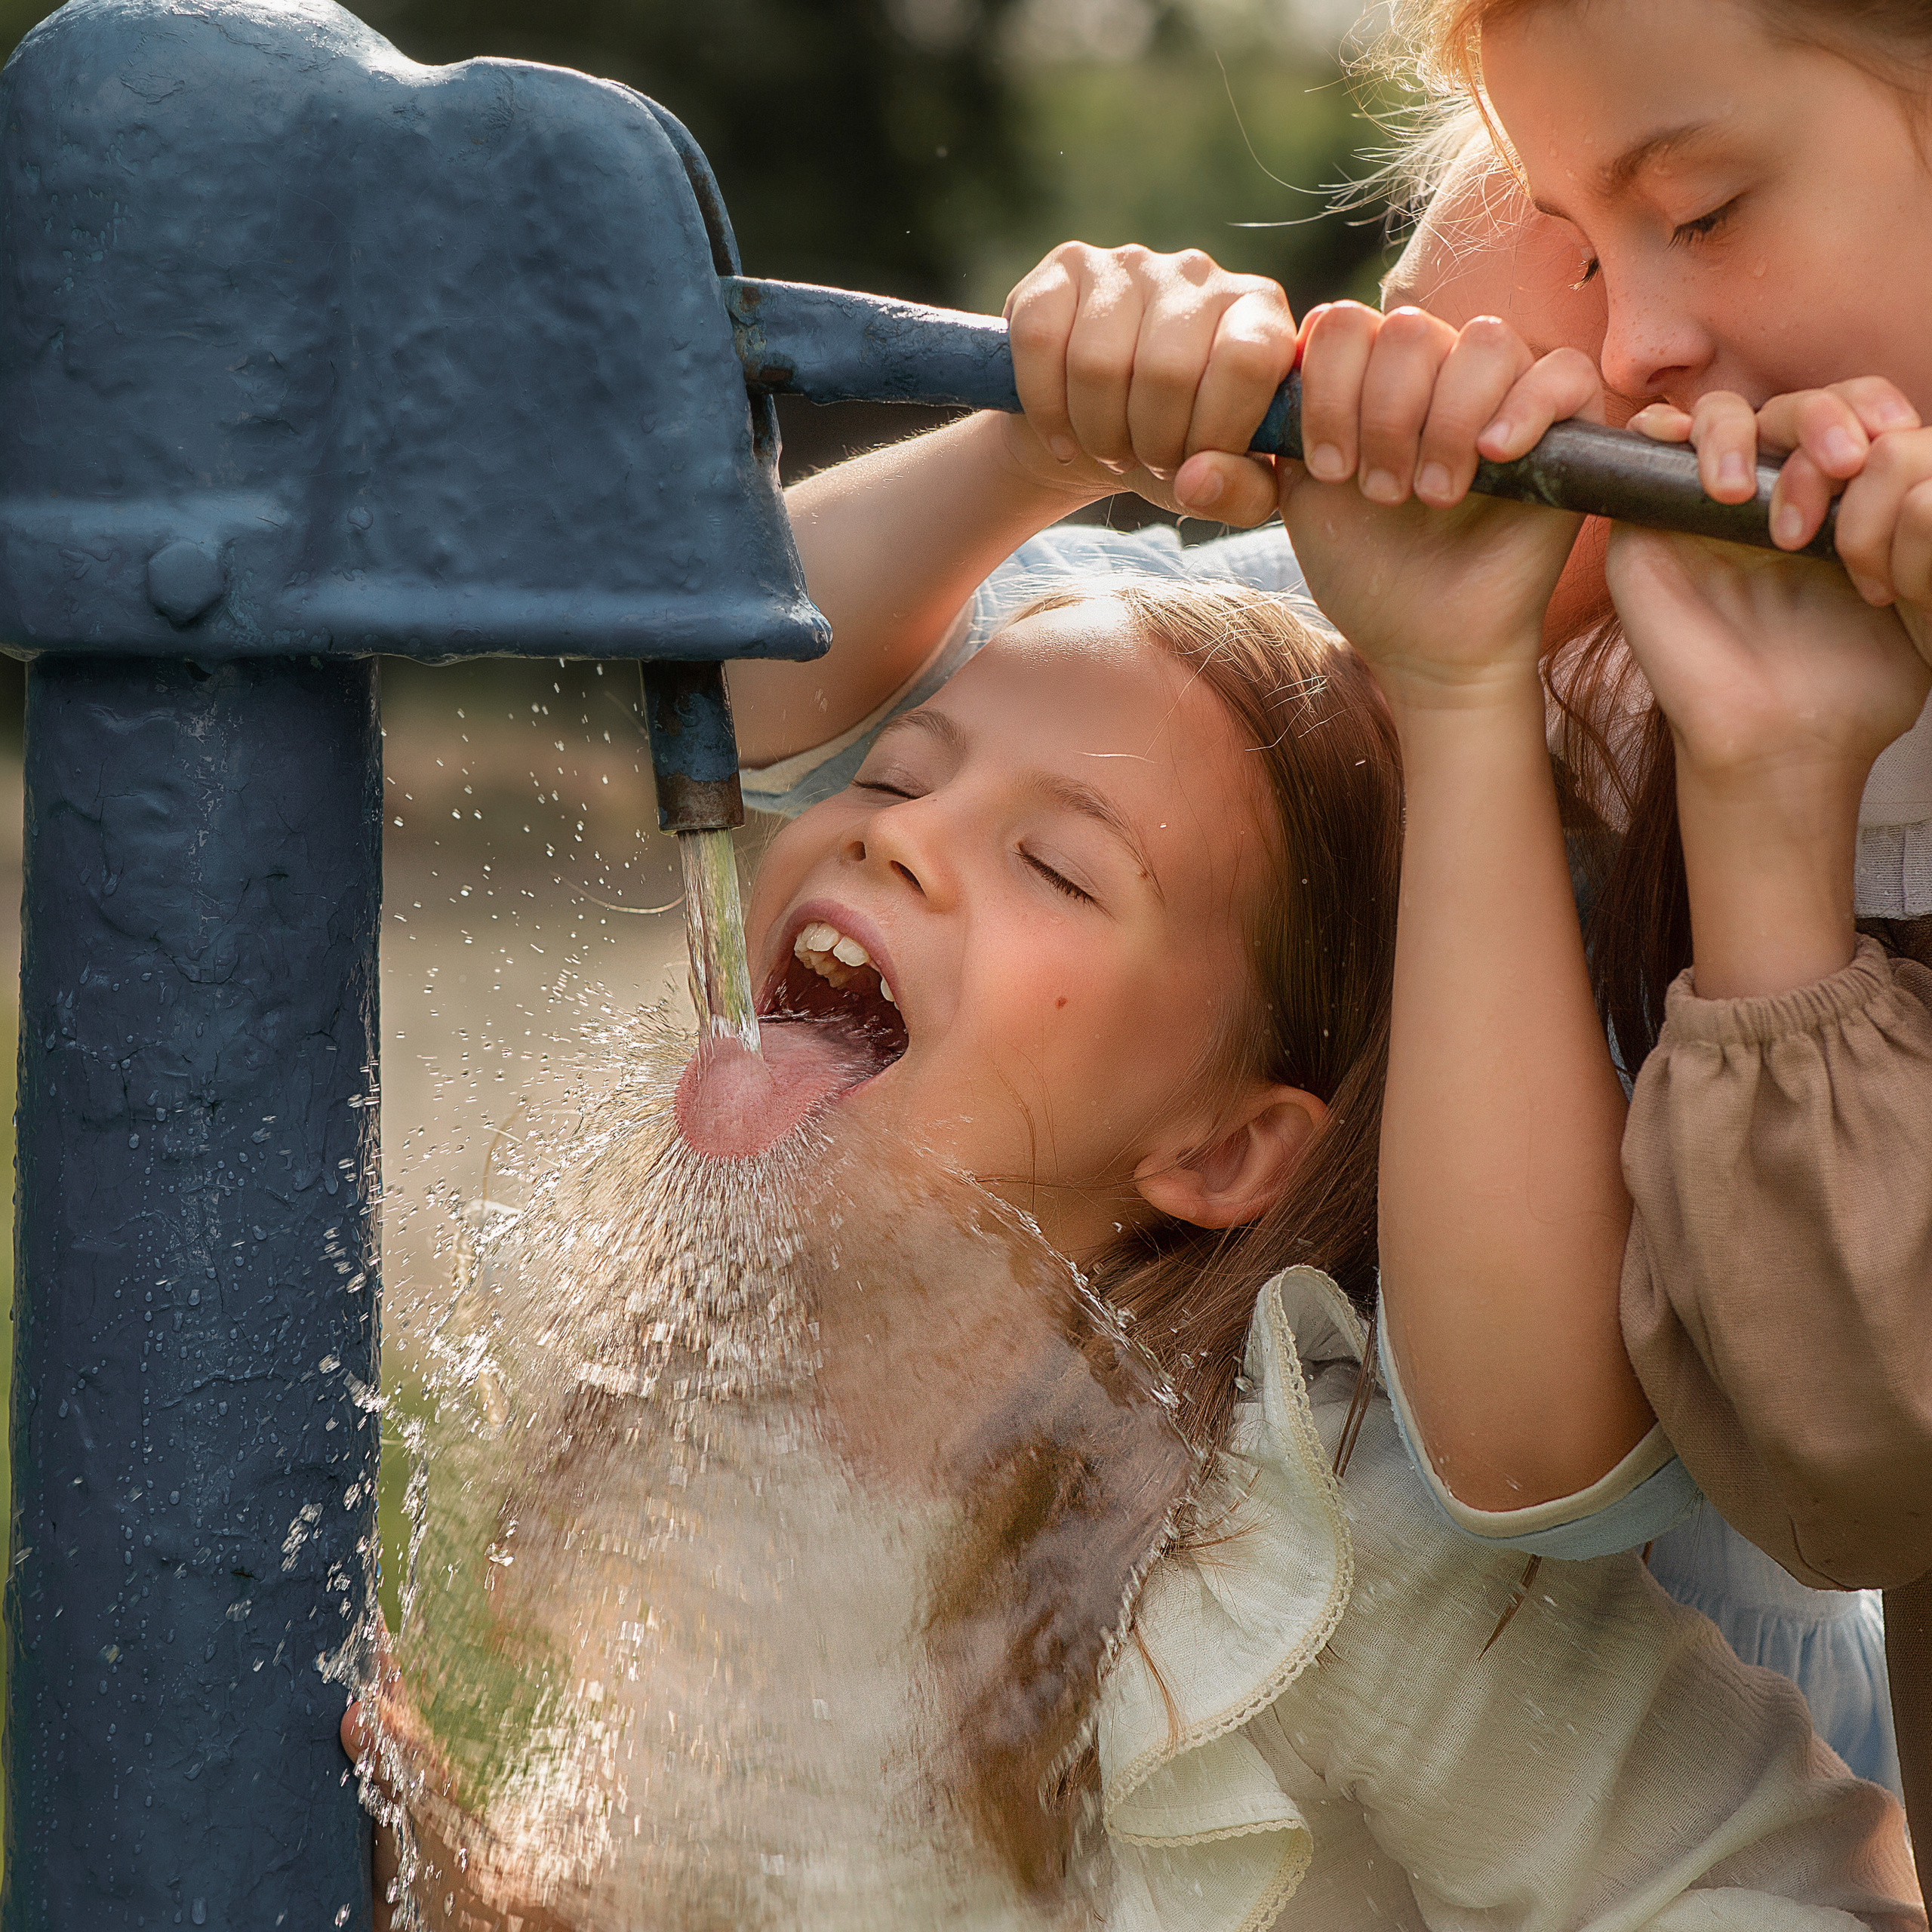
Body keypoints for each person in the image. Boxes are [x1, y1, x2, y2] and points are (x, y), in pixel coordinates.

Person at [358, 567, 1919, 1931]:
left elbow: (1782, 1891)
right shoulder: (710, 1420)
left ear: (1222, 1147)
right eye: (893, 779)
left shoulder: (1286, 1553)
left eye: (1057, 865)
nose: (890, 845)